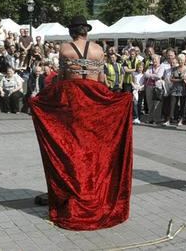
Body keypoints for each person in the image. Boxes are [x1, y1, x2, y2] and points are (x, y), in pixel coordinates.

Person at [29, 15, 133, 230]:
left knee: (73, 147)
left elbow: (63, 78)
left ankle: (76, 188)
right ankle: (95, 189)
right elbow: (102, 79)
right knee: (95, 148)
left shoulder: (65, 49)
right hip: (94, 100)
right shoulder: (98, 50)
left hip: (74, 100)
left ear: (71, 32)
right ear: (86, 31)